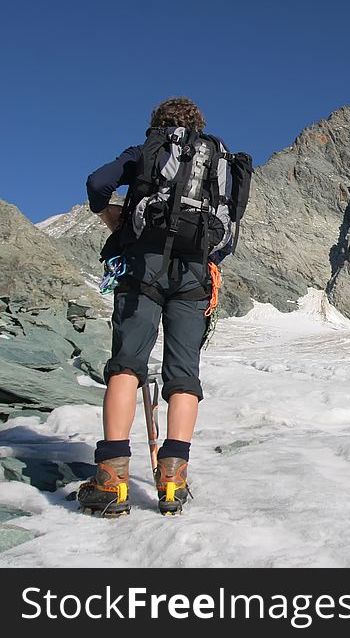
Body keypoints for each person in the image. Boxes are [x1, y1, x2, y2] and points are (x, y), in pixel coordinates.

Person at [77, 97, 231, 516]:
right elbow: (227, 231)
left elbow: (97, 183)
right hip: (195, 275)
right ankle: (172, 482)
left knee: (127, 365)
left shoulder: (146, 151)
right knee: (184, 375)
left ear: (157, 123)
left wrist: (111, 215)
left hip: (143, 267)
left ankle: (111, 482)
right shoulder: (218, 158)